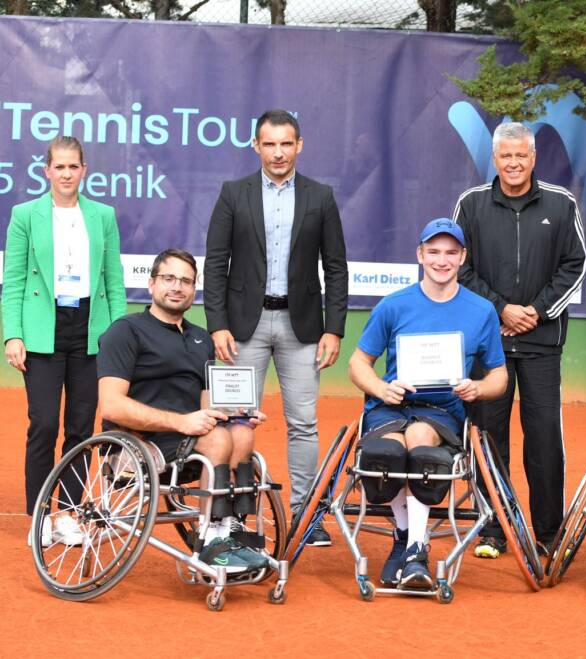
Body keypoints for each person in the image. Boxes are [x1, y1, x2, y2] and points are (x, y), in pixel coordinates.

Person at [204, 109, 348, 547]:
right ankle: (232, 516)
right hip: (242, 329)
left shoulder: (321, 197)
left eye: (287, 143)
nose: (279, 152)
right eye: (270, 144)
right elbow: (215, 263)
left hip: (302, 326)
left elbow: (336, 267)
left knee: (303, 424)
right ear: (256, 146)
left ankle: (307, 516)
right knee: (234, 421)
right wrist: (217, 325)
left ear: (299, 145)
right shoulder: (234, 193)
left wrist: (334, 328)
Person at [348, 219, 508, 589]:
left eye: (451, 252)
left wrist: (477, 389)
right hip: (390, 407)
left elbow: (499, 377)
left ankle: (416, 550)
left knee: (419, 438)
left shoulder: (481, 310)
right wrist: (380, 388)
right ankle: (406, 538)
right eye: (433, 252)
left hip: (441, 413)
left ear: (463, 257)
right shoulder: (393, 305)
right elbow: (358, 363)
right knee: (389, 452)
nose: (442, 260)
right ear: (420, 255)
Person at [453, 122, 586, 557]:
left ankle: (548, 533)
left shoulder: (561, 204)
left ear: (533, 158)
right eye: (505, 156)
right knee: (489, 436)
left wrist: (537, 311)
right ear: (494, 159)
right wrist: (500, 309)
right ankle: (495, 528)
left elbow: (575, 264)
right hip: (487, 344)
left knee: (544, 437)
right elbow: (459, 267)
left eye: (521, 156)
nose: (513, 163)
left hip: (542, 341)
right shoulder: (470, 204)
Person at [98, 249, 269, 574]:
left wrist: (237, 415)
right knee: (218, 441)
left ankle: (231, 529)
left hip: (190, 443)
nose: (177, 287)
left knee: (241, 434)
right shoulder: (126, 331)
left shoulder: (201, 339)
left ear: (194, 289)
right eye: (169, 279)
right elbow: (111, 405)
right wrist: (182, 421)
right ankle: (209, 541)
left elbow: (207, 407)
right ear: (151, 284)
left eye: (186, 281)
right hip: (140, 443)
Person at [4, 136, 127, 547]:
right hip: (42, 328)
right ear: (47, 171)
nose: (66, 174)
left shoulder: (103, 215)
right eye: (59, 167)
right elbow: (14, 281)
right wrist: (13, 334)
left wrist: (116, 336)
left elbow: (113, 280)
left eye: (73, 166)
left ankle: (72, 513)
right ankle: (40, 514)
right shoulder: (25, 215)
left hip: (90, 328)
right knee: (43, 424)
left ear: (84, 170)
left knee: (80, 427)